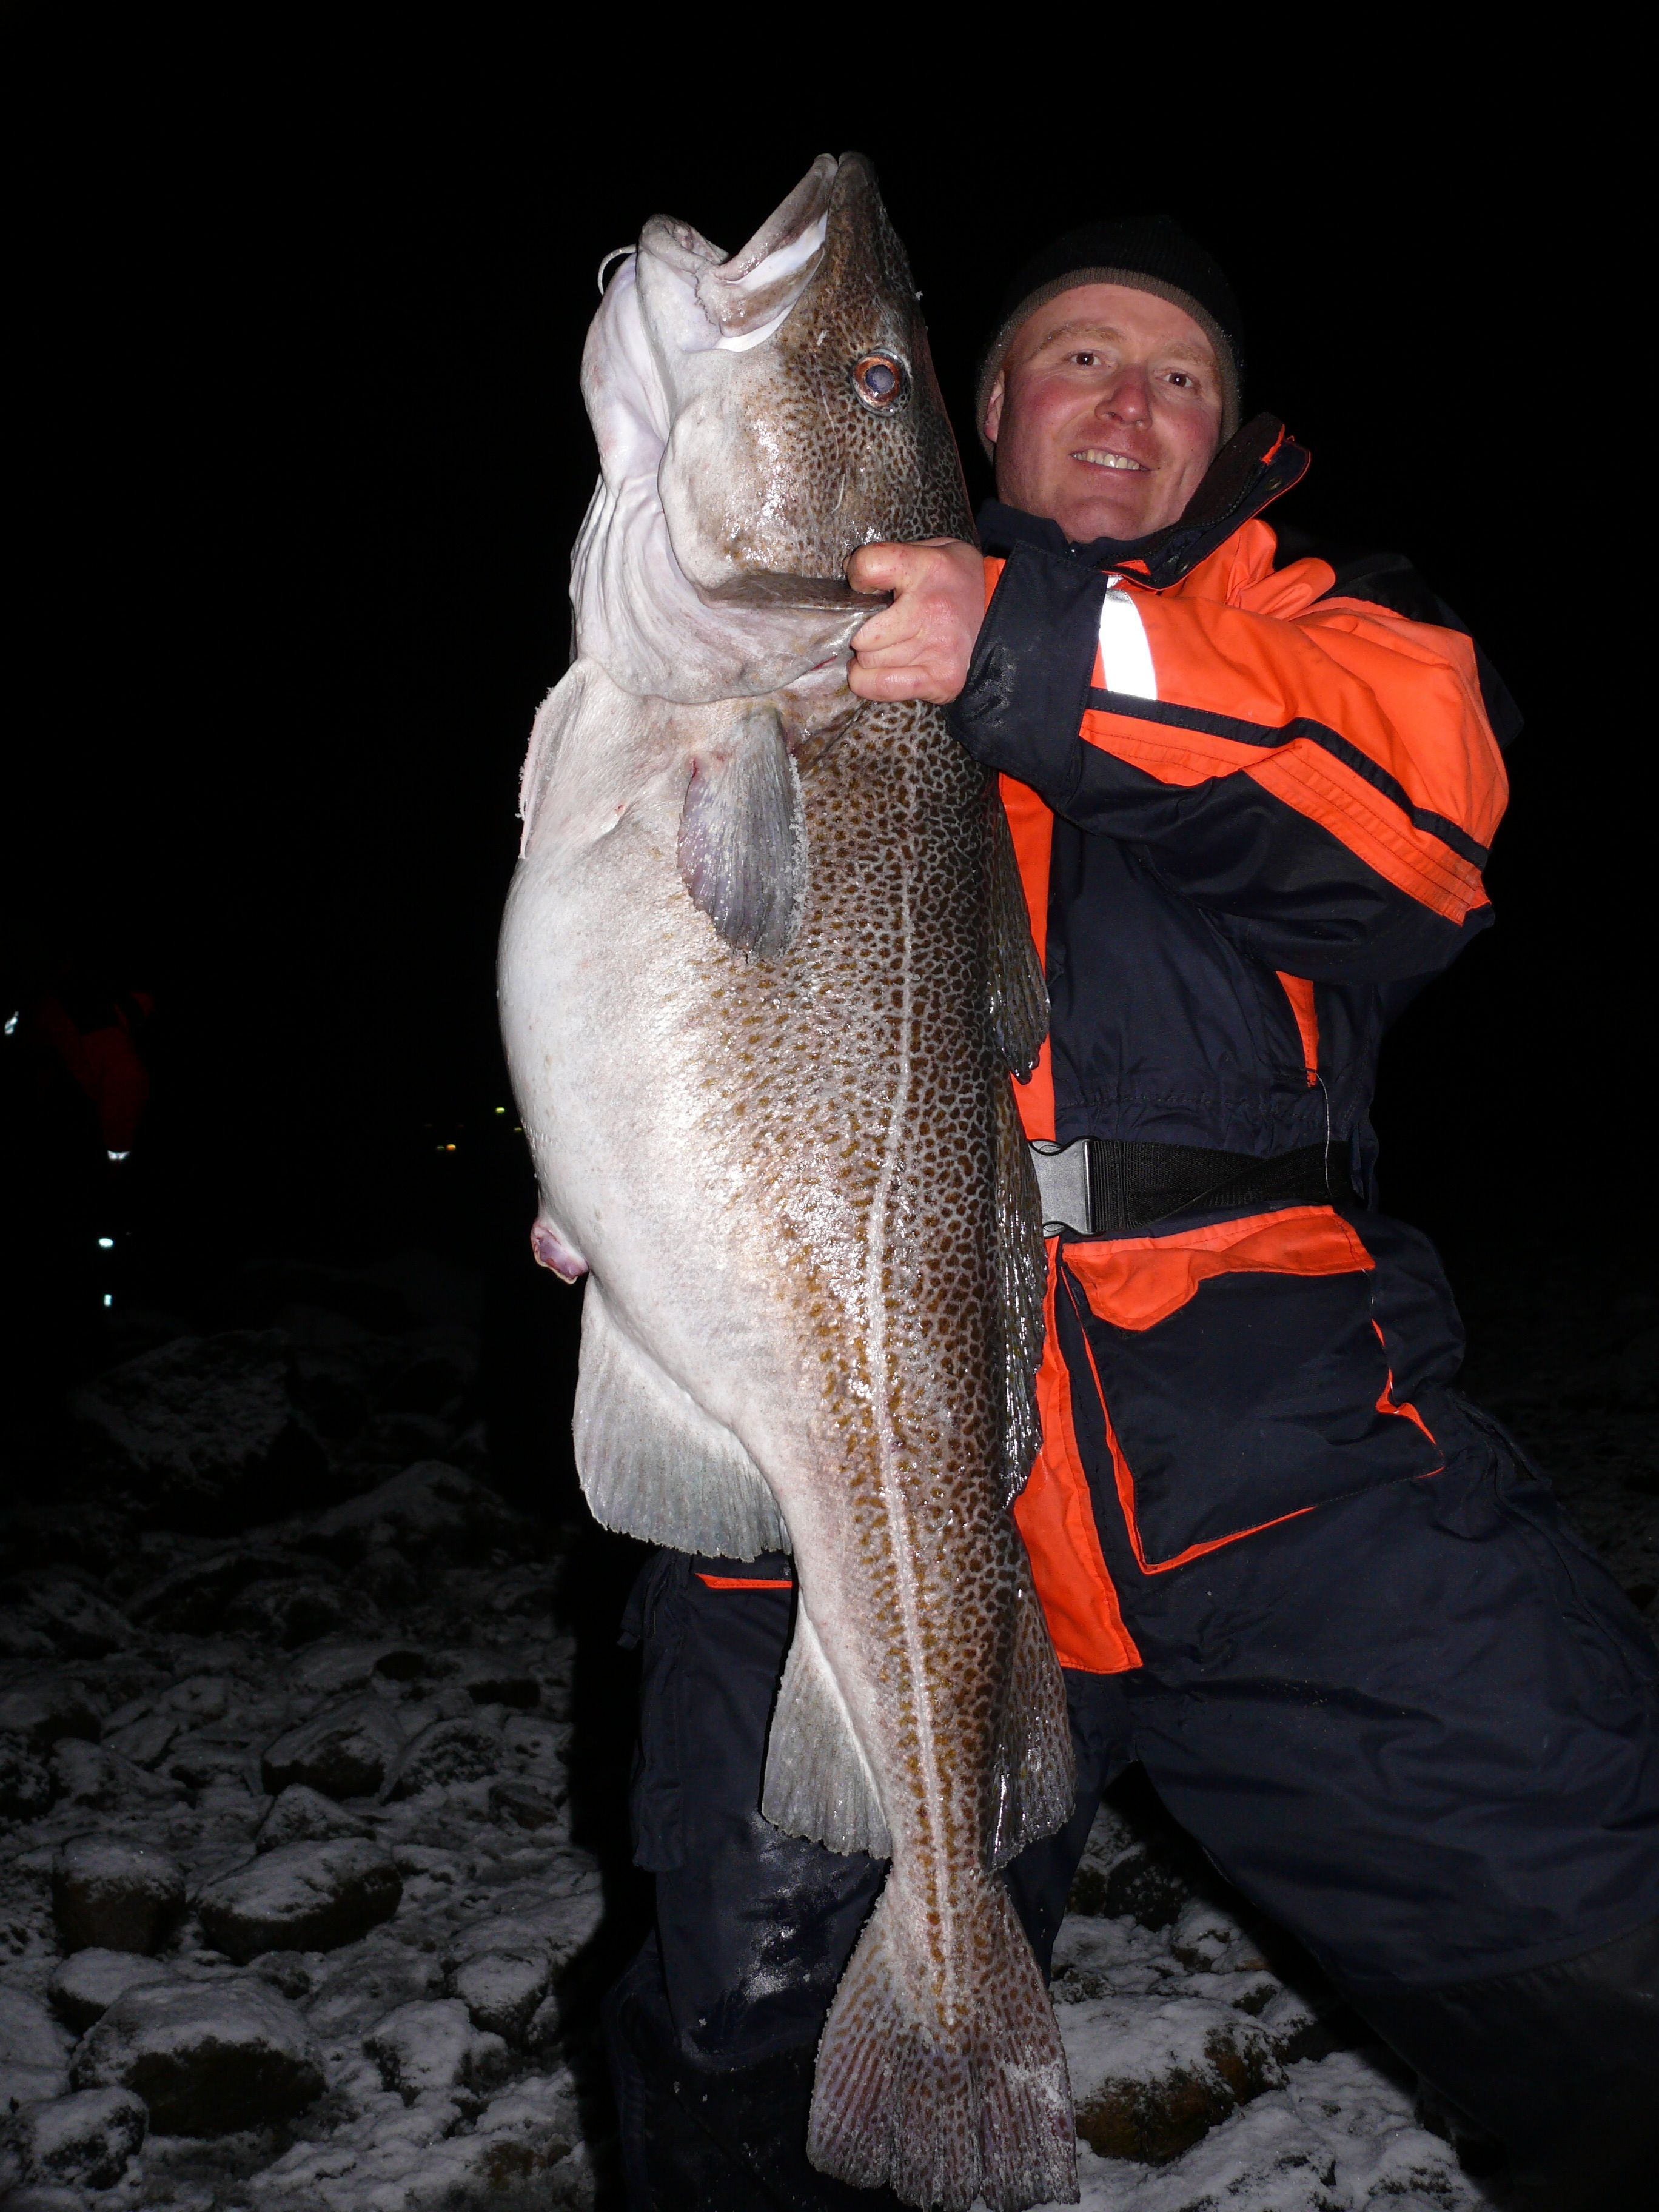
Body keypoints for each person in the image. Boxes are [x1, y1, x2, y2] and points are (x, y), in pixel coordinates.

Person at [603, 218, 1659, 2212]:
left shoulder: (1333, 633)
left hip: (1296, 1477)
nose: (1128, 402)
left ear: (1230, 437)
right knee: (749, 2100)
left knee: (1617, 1955)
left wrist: (1017, 648)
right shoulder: (750, 671)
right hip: (843, 1500)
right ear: (983, 415)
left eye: (1178, 374)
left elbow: (1416, 839)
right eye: (1076, 358)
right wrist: (627, 1192)